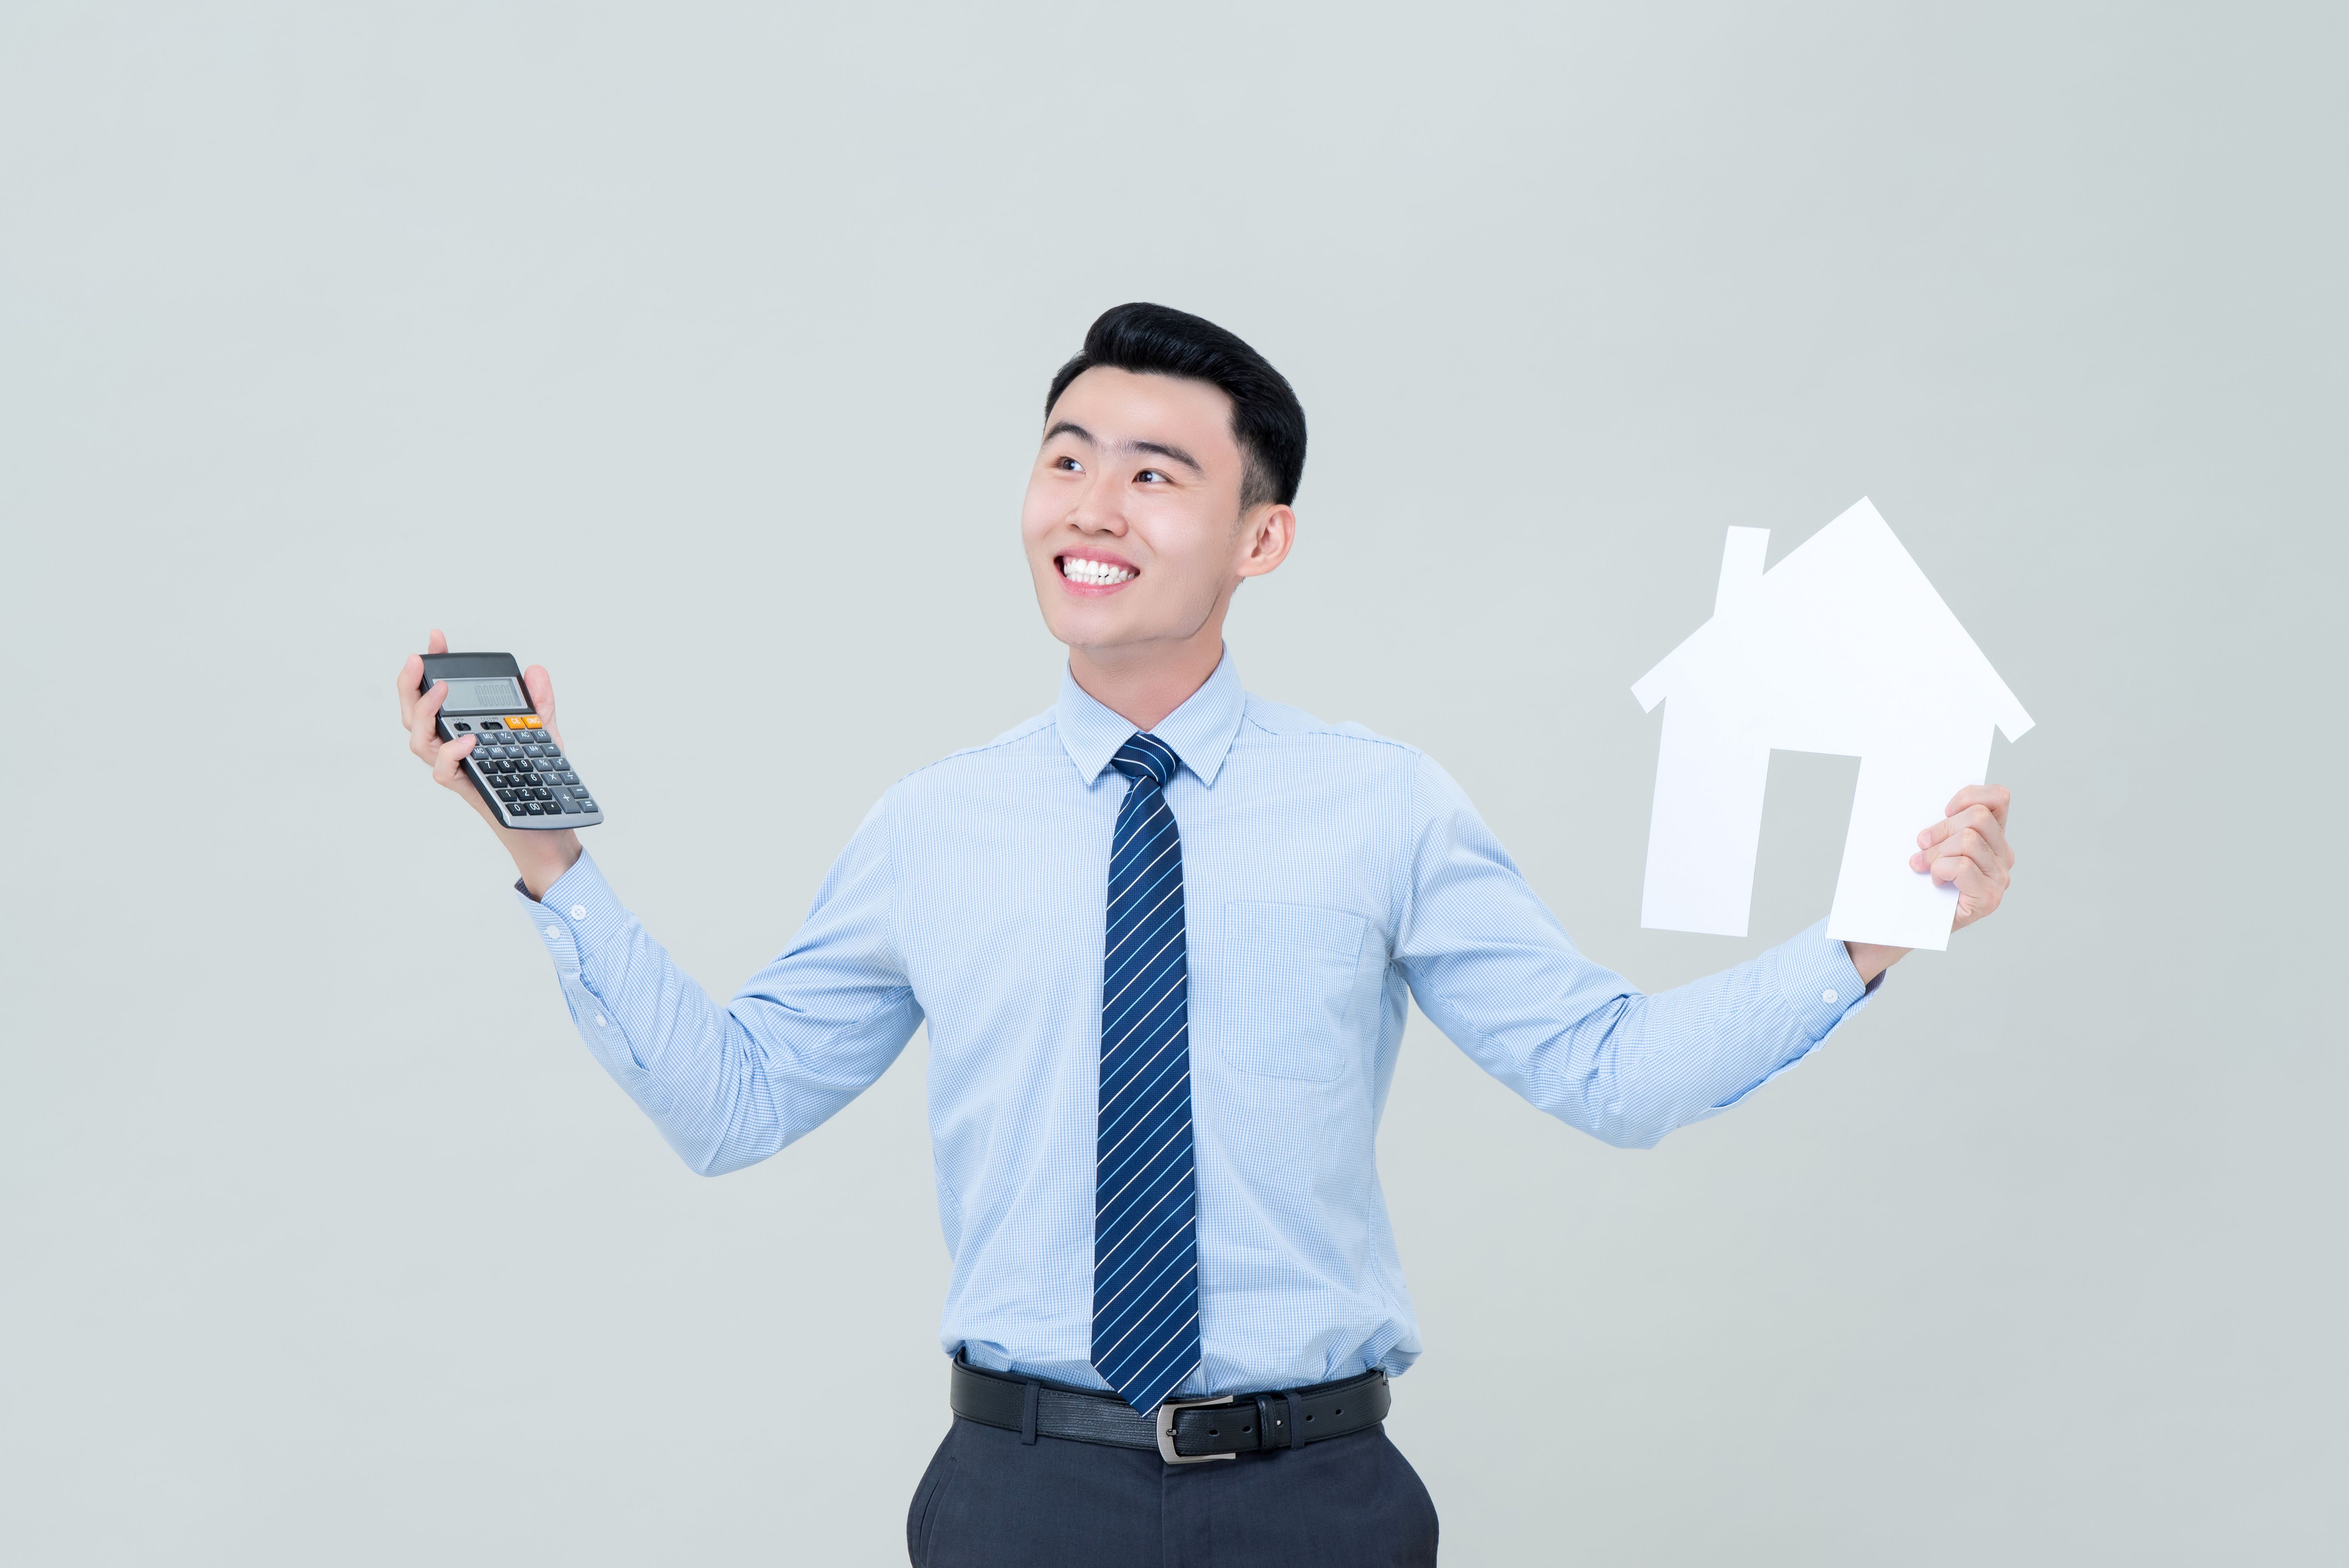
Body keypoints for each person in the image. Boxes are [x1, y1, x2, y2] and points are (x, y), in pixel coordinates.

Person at [395, 303, 2018, 1567]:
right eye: (1066, 455)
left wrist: (1871, 932)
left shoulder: (1384, 808)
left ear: (1263, 537)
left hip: (1319, 1502)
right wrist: (549, 852)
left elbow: (1609, 1070)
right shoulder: (932, 828)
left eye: (1156, 472)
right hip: (1023, 1499)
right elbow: (734, 1102)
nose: (1093, 503)